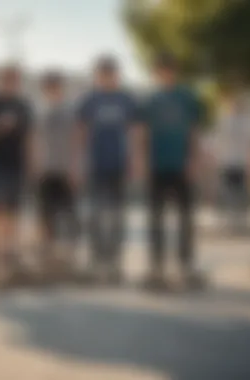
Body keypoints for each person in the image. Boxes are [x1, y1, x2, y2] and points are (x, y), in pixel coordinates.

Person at [141, 52, 204, 290]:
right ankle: (156, 267)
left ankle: (185, 265)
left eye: (169, 69)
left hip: (182, 165)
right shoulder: (150, 100)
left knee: (185, 217)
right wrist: (142, 161)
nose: (165, 73)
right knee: (156, 218)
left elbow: (194, 130)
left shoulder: (187, 97)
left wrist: (194, 160)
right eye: (161, 69)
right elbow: (142, 133)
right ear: (156, 73)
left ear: (174, 71)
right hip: (157, 165)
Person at [75, 56, 139, 283]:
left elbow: (134, 133)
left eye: (110, 73)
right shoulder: (90, 100)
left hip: (119, 164)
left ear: (116, 75)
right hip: (96, 165)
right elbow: (81, 134)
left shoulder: (126, 100)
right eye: (102, 74)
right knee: (96, 214)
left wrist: (135, 162)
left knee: (117, 215)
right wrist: (80, 163)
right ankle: (97, 261)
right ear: (97, 75)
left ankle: (114, 262)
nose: (107, 77)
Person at [0, 66, 33, 284]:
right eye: (7, 79)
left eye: (15, 79)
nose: (11, 83)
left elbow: (30, 138)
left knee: (12, 216)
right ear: (0, 80)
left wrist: (31, 166)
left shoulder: (23, 106)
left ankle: (9, 263)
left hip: (16, 167)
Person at [34, 71, 79, 278]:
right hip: (45, 171)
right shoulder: (39, 112)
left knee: (68, 216)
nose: (54, 90)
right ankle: (47, 262)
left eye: (57, 86)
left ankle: (68, 261)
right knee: (45, 218)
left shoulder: (70, 112)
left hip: (65, 171)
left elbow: (77, 142)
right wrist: (34, 167)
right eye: (50, 87)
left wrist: (75, 168)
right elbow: (33, 142)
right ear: (45, 89)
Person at [214, 91, 250, 233]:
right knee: (228, 191)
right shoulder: (224, 120)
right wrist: (218, 158)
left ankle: (241, 220)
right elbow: (218, 141)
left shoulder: (247, 122)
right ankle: (230, 220)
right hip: (227, 161)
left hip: (242, 162)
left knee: (242, 191)